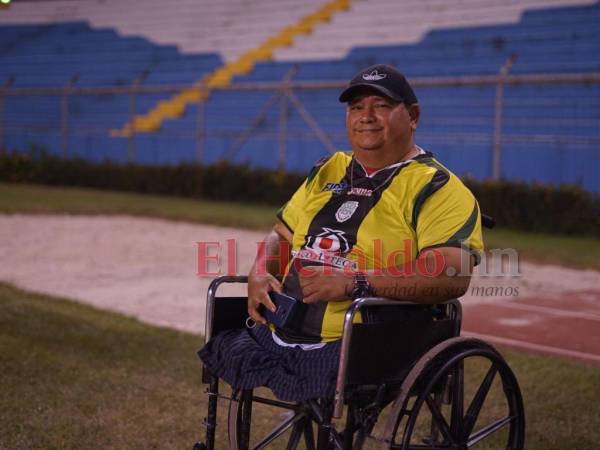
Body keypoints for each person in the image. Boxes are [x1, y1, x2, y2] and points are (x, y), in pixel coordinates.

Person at [199, 64, 483, 402]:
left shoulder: (437, 187)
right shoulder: (328, 169)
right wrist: (260, 271)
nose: (366, 116)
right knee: (226, 335)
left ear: (413, 116)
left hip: (365, 343)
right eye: (356, 107)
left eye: (381, 105)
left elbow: (451, 275)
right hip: (279, 329)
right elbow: (282, 235)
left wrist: (356, 282)